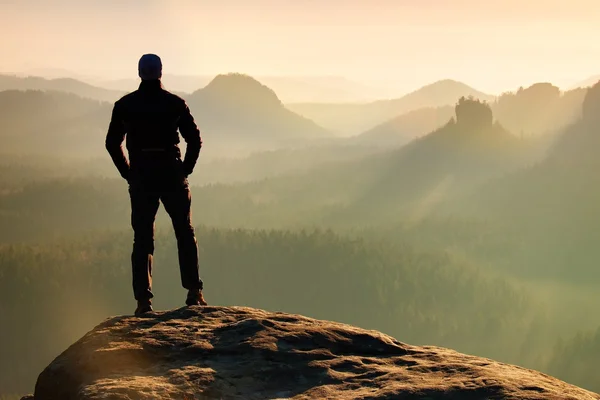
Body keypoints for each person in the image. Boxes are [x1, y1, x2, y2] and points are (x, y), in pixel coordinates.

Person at [105, 54, 207, 316]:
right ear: (160, 72)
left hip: (141, 175)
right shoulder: (175, 104)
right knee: (184, 231)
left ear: (139, 73)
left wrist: (128, 173)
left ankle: (143, 301)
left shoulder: (125, 105)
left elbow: (112, 143)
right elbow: (194, 140)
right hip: (171, 173)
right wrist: (185, 170)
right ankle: (194, 292)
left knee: (143, 239)